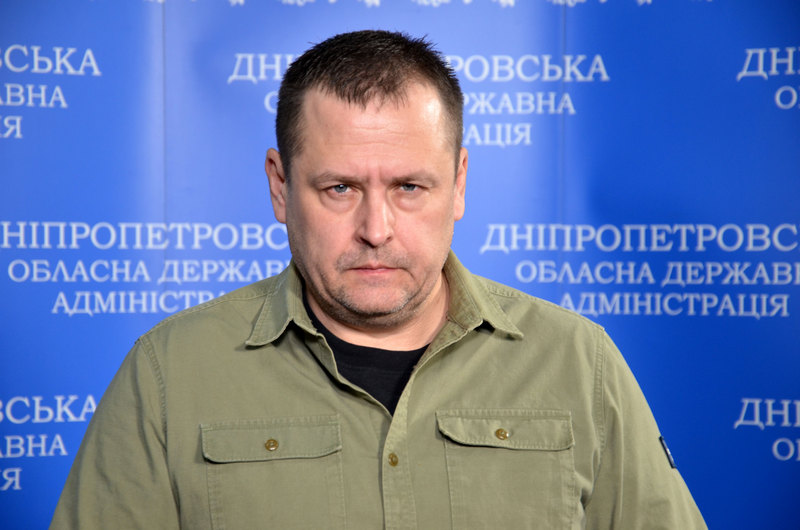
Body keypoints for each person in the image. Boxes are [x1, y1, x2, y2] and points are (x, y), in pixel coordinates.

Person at [51, 30, 706, 529]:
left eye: (409, 187)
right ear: (280, 187)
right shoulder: (169, 374)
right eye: (339, 188)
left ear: (459, 184)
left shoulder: (579, 362)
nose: (376, 228)